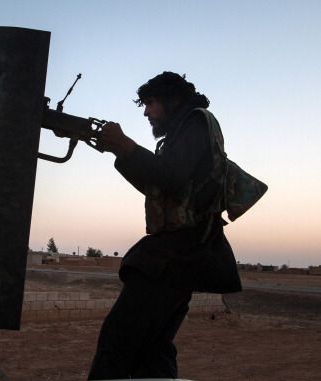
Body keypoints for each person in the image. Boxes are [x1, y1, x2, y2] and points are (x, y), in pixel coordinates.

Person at [87, 72, 242, 380]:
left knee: (117, 342)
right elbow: (159, 186)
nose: (146, 112)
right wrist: (121, 151)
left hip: (177, 254)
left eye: (151, 103)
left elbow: (170, 177)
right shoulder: (184, 133)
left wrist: (125, 145)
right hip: (181, 255)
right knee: (152, 349)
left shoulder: (196, 122)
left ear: (172, 101)